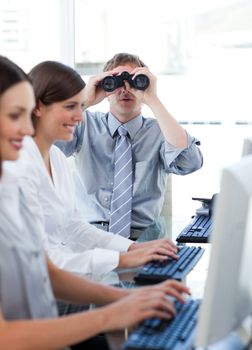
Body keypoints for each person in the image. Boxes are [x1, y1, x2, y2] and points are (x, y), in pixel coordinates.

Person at [0, 55, 191, 350]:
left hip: (53, 309)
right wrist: (116, 298)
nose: (26, 129)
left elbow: (48, 263)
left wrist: (127, 290)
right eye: (16, 116)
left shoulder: (52, 164)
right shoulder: (19, 172)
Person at [14, 60, 179, 279]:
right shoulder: (19, 167)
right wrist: (122, 259)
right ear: (37, 107)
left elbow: (73, 227)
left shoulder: (56, 159)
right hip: (39, 284)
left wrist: (131, 249)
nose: (81, 116)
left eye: (79, 106)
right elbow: (39, 260)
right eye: (71, 106)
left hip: (63, 274)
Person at [57, 52, 203, 240]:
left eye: (135, 81)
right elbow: (40, 147)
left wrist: (153, 99)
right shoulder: (83, 123)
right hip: (89, 234)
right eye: (115, 82)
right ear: (104, 87)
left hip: (144, 237)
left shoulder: (161, 131)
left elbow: (190, 163)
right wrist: (83, 101)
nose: (125, 89)